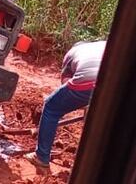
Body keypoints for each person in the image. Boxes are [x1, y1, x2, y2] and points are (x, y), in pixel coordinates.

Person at [24, 40, 107, 169]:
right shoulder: (104, 44)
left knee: (51, 107)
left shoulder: (71, 53)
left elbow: (65, 83)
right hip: (119, 84)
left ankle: (41, 157)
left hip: (89, 80)